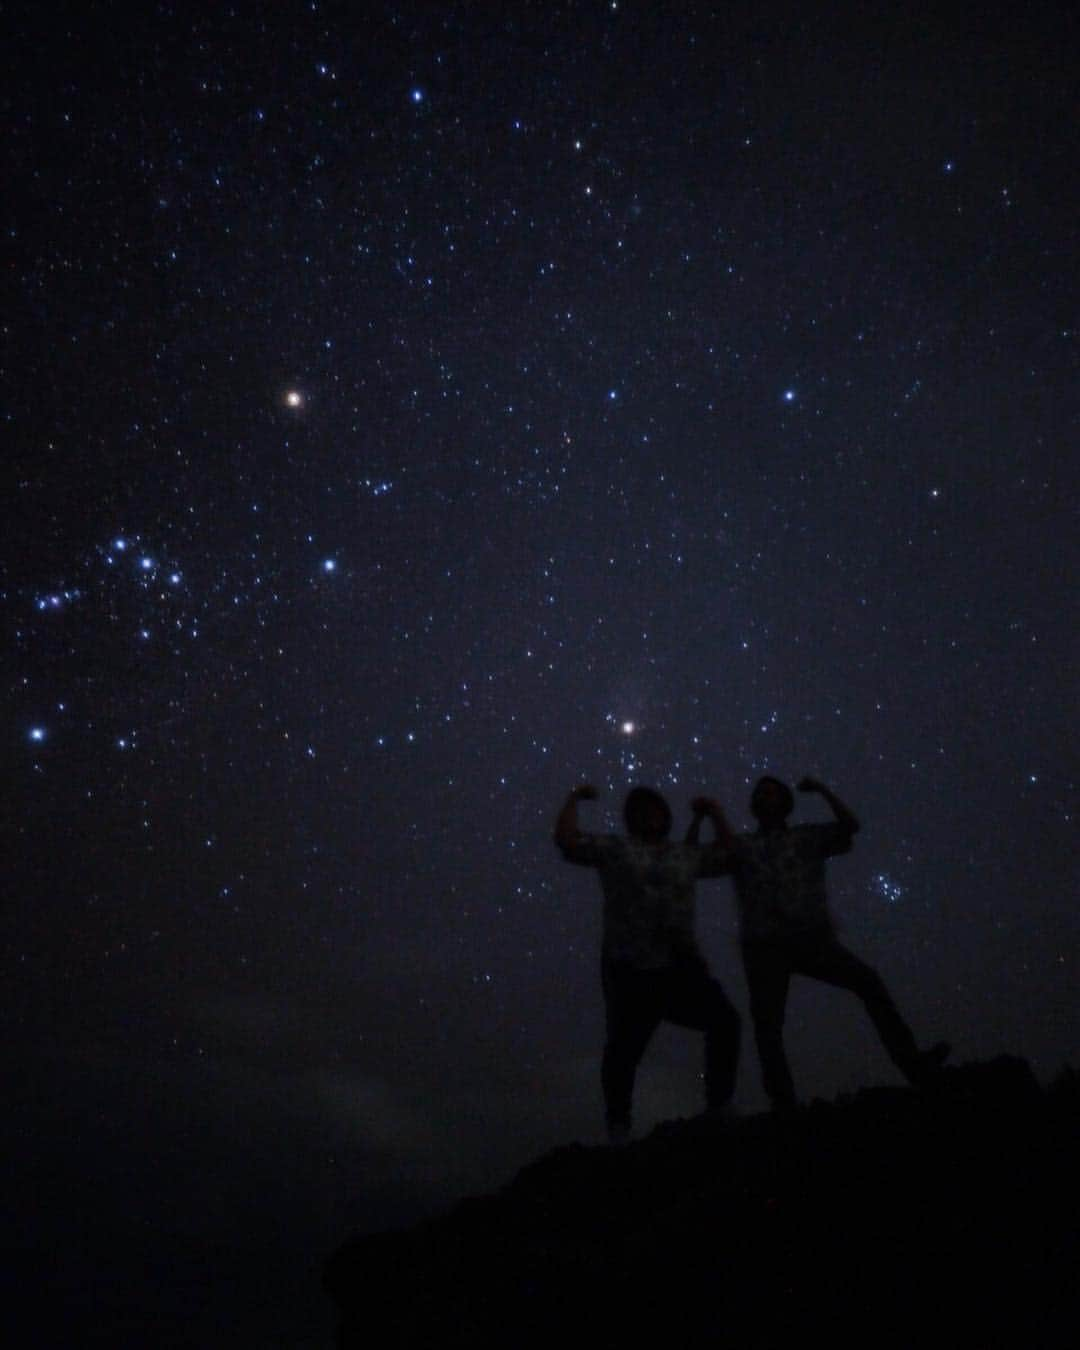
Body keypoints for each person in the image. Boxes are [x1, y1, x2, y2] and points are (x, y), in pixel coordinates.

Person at [693, 775, 948, 1112]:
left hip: (809, 939)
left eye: (772, 793)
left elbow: (850, 826)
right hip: (765, 947)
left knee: (867, 983)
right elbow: (693, 861)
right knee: (768, 1026)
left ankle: (914, 1065)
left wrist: (825, 790)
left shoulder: (806, 837)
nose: (766, 798)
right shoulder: (743, 846)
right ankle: (783, 1102)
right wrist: (702, 818)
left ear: (785, 803)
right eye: (761, 794)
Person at [554, 783, 740, 1142]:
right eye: (640, 811)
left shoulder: (683, 854)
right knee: (624, 1050)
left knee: (725, 1022)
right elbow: (567, 841)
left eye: (655, 809)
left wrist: (715, 811)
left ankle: (719, 1106)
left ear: (666, 816)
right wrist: (573, 797)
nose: (649, 815)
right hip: (630, 967)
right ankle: (619, 1126)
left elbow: (731, 856)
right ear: (630, 820)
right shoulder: (616, 848)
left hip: (680, 965)